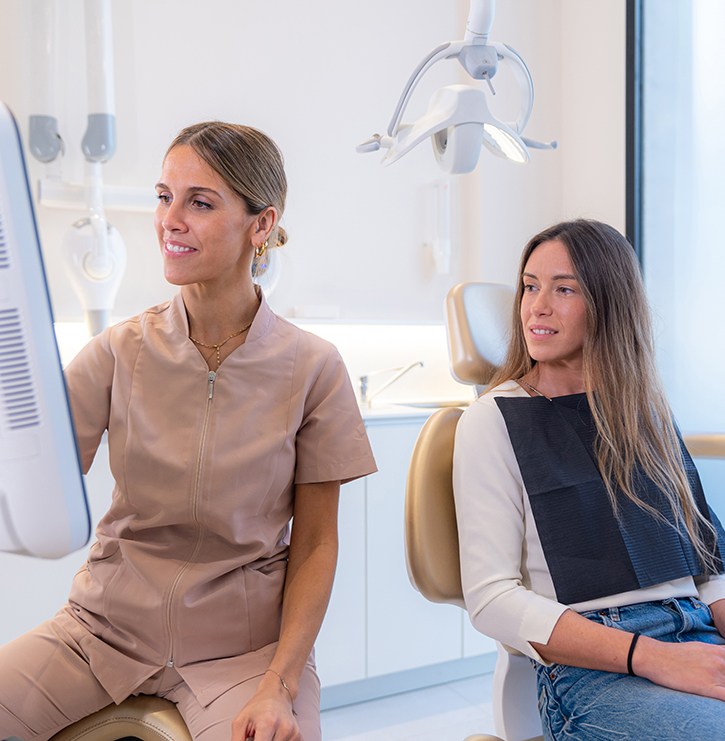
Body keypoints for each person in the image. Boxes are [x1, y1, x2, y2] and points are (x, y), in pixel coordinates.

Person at [0, 121, 377, 741]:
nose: (169, 219)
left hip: (243, 651)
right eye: (163, 196)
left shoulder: (311, 367)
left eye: (199, 202)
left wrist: (279, 682)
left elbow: (314, 547)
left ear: (261, 225)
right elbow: (31, 463)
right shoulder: (123, 349)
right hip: (102, 632)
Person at [452, 219, 725, 740]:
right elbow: (492, 600)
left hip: (696, 632)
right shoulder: (494, 419)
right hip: (596, 665)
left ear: (609, 303)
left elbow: (709, 565)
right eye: (530, 286)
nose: (537, 306)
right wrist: (653, 658)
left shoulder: (644, 414)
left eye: (564, 289)